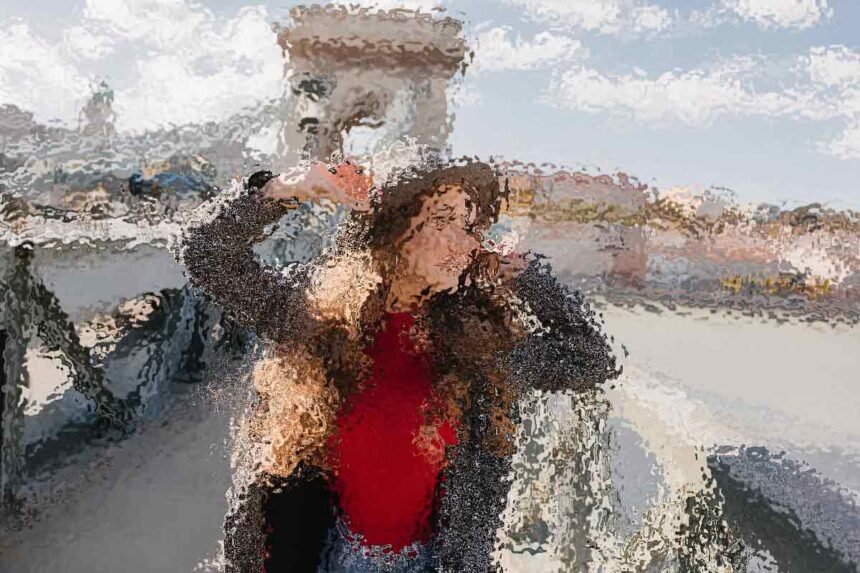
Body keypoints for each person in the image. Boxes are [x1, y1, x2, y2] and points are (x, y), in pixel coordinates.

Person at [177, 158, 619, 572]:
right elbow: (205, 253)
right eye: (443, 220)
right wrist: (285, 189)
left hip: (429, 561)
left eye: (470, 228)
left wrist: (526, 276)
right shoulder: (316, 312)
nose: (463, 242)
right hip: (315, 553)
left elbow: (592, 358)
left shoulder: (481, 344)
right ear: (393, 229)